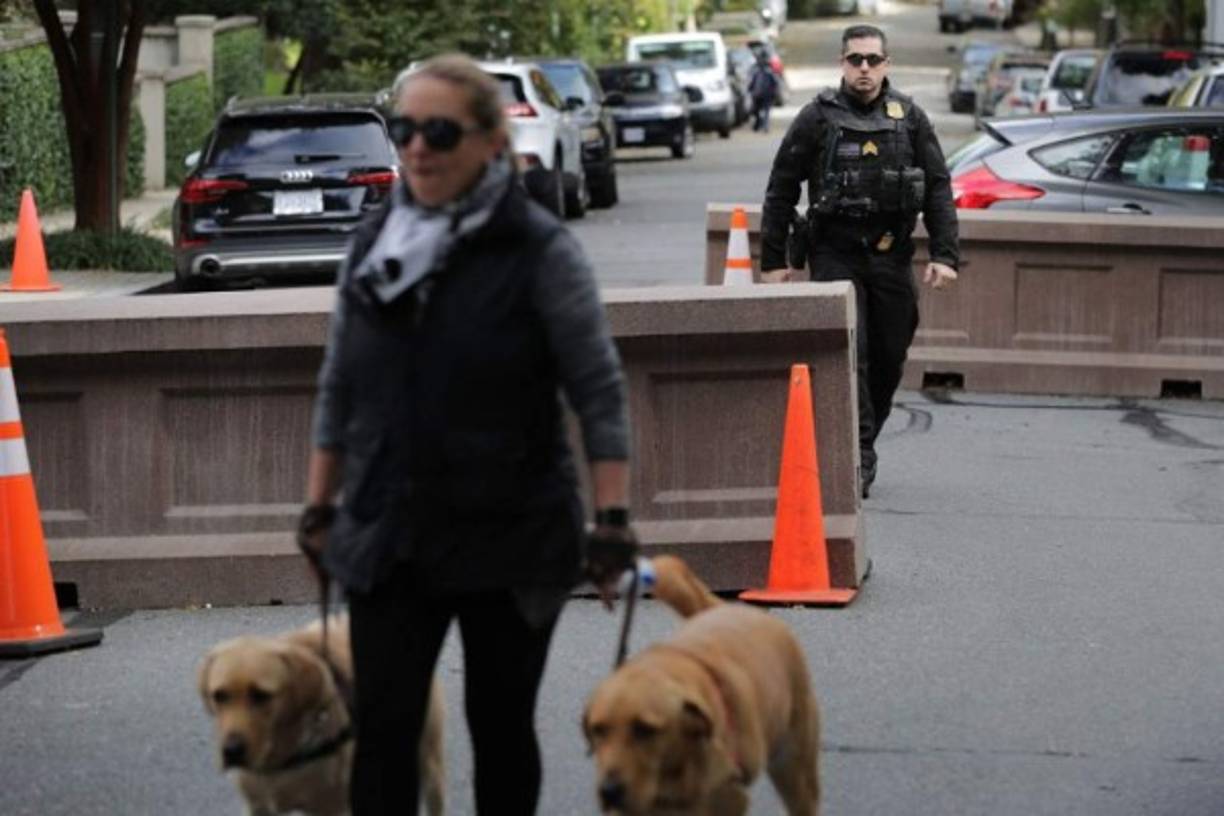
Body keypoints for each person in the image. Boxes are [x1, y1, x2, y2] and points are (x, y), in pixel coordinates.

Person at [296, 54, 636, 815]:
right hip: (389, 528)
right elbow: (340, 385)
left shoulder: (540, 248)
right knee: (383, 731)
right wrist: (321, 505)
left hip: (512, 531)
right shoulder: (373, 241)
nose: (417, 146)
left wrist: (610, 520)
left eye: (440, 130)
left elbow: (598, 391)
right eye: (405, 128)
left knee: (500, 727)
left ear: (490, 142)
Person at [758, 24, 960, 498]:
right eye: (855, 60)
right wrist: (773, 260)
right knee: (856, 356)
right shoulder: (817, 117)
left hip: (892, 258)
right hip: (835, 256)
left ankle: (861, 441)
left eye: (872, 60)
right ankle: (859, 456)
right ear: (842, 64)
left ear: (887, 64)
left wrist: (946, 254)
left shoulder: (909, 118)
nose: (864, 68)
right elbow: (781, 189)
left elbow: (937, 189)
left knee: (889, 358)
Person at [748, 52, 780, 132]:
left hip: (762, 93)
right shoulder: (761, 70)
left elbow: (752, 82)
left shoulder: (760, 70)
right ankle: (762, 125)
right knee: (762, 111)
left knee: (762, 110)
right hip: (763, 93)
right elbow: (775, 82)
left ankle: (763, 125)